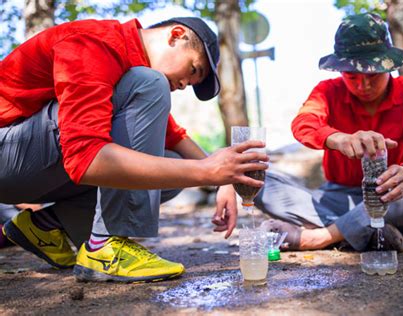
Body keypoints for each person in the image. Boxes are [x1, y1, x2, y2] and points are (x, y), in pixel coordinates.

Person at [0, 16, 268, 283]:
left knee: (168, 165)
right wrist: (204, 171)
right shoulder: (95, 43)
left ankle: (45, 226)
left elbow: (172, 137)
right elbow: (85, 157)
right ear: (175, 35)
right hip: (7, 153)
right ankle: (106, 246)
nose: (186, 84)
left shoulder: (130, 72)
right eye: (193, 70)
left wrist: (224, 182)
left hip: (24, 166)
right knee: (151, 87)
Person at [217, 13, 403, 253]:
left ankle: (319, 238)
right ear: (340, 70)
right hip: (337, 197)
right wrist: (337, 138)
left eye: (372, 76)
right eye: (352, 76)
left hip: (392, 195)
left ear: (387, 65)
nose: (363, 86)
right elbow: (303, 123)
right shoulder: (327, 91)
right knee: (261, 183)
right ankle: (369, 233)